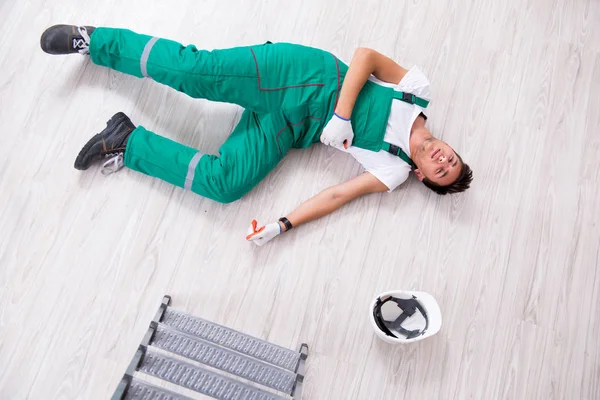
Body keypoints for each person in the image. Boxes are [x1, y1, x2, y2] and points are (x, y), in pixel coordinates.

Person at [40, 25, 472, 246]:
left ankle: (125, 141)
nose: (442, 161)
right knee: (197, 74)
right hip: (306, 75)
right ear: (449, 147)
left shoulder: (393, 171)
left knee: (225, 183)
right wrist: (342, 114)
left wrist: (283, 225)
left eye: (440, 173)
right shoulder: (418, 93)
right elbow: (366, 57)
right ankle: (96, 42)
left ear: (421, 176)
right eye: (450, 160)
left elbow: (338, 196)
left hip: (293, 127)